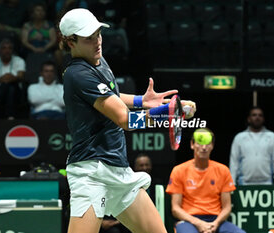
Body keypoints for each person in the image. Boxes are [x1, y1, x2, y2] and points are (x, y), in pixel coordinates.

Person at [58, 8, 196, 233]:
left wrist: (143, 100)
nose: (97, 42)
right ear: (70, 42)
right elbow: (125, 120)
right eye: (88, 39)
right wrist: (168, 112)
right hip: (91, 172)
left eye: (98, 35)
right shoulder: (77, 74)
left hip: (118, 170)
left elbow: (108, 97)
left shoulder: (98, 60)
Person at [166, 128, 245, 233]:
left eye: (207, 143)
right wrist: (198, 223)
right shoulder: (179, 170)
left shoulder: (223, 170)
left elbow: (226, 207)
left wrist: (215, 224)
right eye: (200, 143)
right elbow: (175, 209)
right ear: (192, 145)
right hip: (189, 220)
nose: (204, 147)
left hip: (216, 220)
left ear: (212, 146)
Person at [229, 106, 274, 185]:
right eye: (254, 115)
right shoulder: (240, 137)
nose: (257, 117)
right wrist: (232, 182)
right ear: (249, 119)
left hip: (267, 182)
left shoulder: (271, 136)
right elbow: (234, 161)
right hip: (244, 182)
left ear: (263, 119)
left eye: (260, 115)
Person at [0, 38, 25, 119]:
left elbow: (21, 77)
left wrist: (6, 78)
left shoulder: (19, 61)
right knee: (9, 88)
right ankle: (10, 116)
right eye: (4, 48)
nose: (7, 50)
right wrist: (7, 78)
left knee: (11, 87)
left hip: (17, 91)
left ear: (12, 50)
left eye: (9, 48)